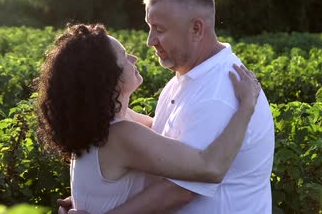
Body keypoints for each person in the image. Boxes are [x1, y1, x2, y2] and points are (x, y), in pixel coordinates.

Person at [96, 0, 275, 213]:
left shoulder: (220, 91)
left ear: (196, 29)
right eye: (150, 27)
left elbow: (179, 191)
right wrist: (92, 198)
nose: (150, 40)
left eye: (159, 29)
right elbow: (157, 147)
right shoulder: (184, 79)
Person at [36, 23, 262, 214]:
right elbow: (210, 168)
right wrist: (246, 107)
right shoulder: (120, 135)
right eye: (124, 57)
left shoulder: (101, 124)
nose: (133, 58)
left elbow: (163, 131)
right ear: (106, 78)